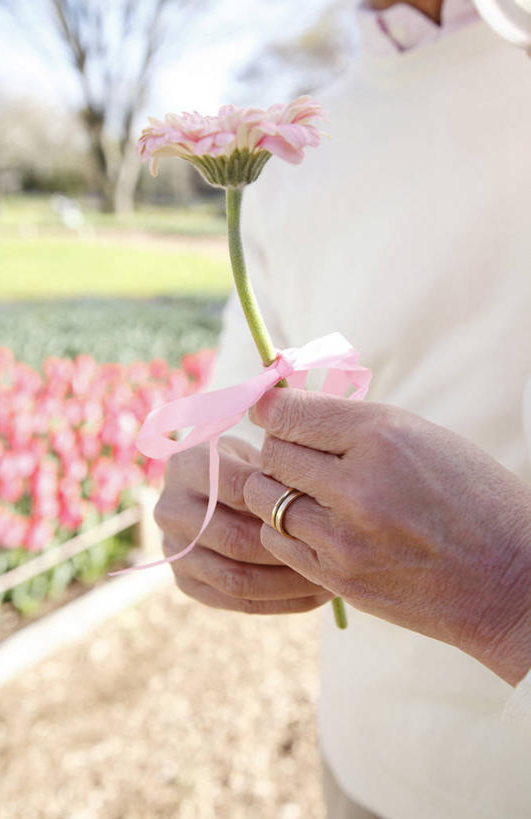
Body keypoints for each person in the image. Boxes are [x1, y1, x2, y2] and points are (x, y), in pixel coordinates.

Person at [153, 0, 531, 815]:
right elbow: (227, 419)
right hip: (362, 770)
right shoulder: (291, 160)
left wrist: (514, 590)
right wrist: (205, 504)